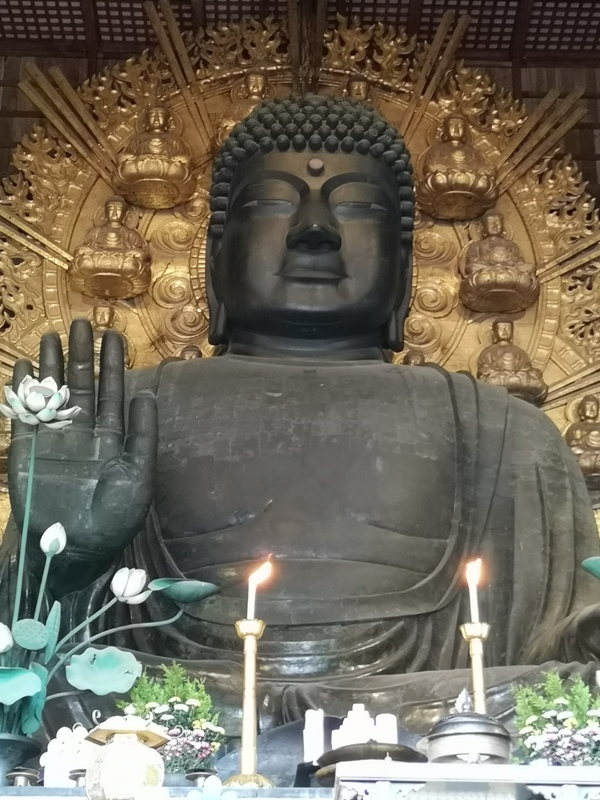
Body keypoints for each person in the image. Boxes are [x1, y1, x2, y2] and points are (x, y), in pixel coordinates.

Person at [2, 95, 599, 742]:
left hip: (435, 721)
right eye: (273, 203)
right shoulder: (120, 417)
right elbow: (22, 657)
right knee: (68, 695)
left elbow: (574, 654)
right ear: (214, 261)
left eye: (358, 207)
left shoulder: (504, 431)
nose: (315, 229)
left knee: (551, 698)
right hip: (168, 730)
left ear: (402, 270)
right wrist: (57, 561)